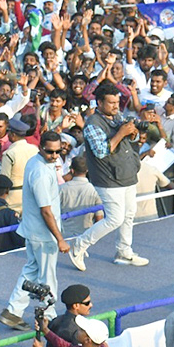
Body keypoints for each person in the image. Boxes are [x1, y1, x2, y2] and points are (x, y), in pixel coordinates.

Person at [68, 86, 149, 271]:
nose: (115, 106)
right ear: (99, 103)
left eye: (117, 102)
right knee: (114, 219)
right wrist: (121, 132)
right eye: (111, 103)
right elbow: (101, 151)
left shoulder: (118, 117)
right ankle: (79, 245)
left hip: (126, 173)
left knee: (128, 215)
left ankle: (124, 252)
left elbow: (128, 142)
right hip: (108, 178)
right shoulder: (92, 124)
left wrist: (133, 134)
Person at [0, 132, 68, 331]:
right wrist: (60, 239)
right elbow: (46, 210)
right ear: (40, 148)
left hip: (33, 231)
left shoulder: (36, 163)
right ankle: (49, 315)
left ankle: (13, 311)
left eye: (58, 151)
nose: (54, 155)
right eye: (50, 151)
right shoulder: (40, 172)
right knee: (48, 276)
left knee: (31, 270)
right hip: (43, 233)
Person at [0, 118, 39, 213]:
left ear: (12, 135)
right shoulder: (35, 149)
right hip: (32, 194)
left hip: (13, 197)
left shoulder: (9, 153)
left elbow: (5, 179)